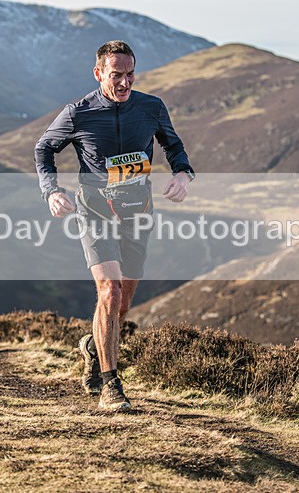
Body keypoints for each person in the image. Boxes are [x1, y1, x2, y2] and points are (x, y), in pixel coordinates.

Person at [35, 41, 194, 411]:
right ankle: (111, 384)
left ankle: (93, 346)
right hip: (95, 209)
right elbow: (44, 148)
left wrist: (183, 175)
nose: (124, 83)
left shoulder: (151, 107)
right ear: (98, 74)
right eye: (115, 75)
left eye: (130, 74)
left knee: (122, 304)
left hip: (138, 208)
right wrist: (51, 191)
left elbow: (174, 146)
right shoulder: (78, 113)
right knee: (110, 292)